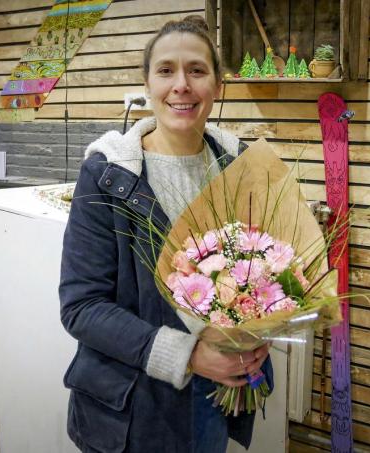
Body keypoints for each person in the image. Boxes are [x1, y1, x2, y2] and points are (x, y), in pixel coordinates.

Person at [59, 15, 271, 453]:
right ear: (147, 83)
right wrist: (190, 355)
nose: (182, 85)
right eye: (166, 70)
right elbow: (82, 307)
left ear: (218, 85)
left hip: (214, 397)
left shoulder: (239, 167)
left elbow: (263, 272)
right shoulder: (107, 176)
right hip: (134, 406)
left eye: (196, 70)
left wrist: (259, 329)